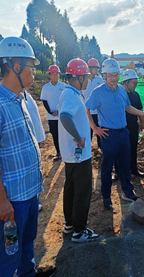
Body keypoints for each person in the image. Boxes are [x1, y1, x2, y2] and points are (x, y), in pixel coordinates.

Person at [0, 36, 55, 276]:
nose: (34, 74)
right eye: (31, 68)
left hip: (29, 192)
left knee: (27, 241)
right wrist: (1, 199)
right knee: (8, 253)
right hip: (12, 199)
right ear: (16, 66)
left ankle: (28, 273)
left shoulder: (20, 99)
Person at [85, 58, 144, 210]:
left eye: (116, 74)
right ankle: (106, 196)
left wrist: (143, 114)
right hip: (109, 135)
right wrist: (95, 128)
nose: (114, 78)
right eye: (110, 75)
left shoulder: (122, 90)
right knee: (107, 167)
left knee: (125, 165)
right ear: (104, 75)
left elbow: (128, 108)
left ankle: (128, 193)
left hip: (124, 133)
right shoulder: (98, 92)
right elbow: (87, 109)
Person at [57, 58, 101, 242]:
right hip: (78, 154)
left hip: (71, 154)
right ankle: (79, 231)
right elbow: (65, 117)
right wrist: (78, 138)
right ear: (79, 77)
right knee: (82, 191)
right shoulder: (71, 96)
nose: (88, 80)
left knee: (71, 188)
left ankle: (70, 224)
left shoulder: (69, 93)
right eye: (86, 77)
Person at [122, 69, 144, 177]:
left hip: (133, 126)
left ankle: (133, 169)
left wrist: (142, 124)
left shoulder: (136, 95)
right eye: (133, 83)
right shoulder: (120, 95)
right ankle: (119, 172)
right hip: (121, 127)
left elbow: (140, 111)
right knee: (121, 150)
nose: (135, 85)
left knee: (133, 149)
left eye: (136, 83)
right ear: (126, 82)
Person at [41, 65, 66, 161]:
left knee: (63, 134)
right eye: (53, 74)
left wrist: (60, 111)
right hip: (51, 117)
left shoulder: (63, 86)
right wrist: (50, 111)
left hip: (62, 116)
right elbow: (44, 100)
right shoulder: (46, 87)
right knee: (55, 134)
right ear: (49, 75)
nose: (55, 76)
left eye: (56, 74)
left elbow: (65, 100)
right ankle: (58, 152)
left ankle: (65, 152)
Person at [82, 58, 104, 147]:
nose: (96, 70)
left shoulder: (99, 80)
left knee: (99, 129)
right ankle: (88, 147)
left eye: (97, 68)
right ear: (89, 68)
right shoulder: (84, 80)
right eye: (94, 68)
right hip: (87, 110)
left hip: (97, 110)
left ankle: (100, 147)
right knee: (88, 130)